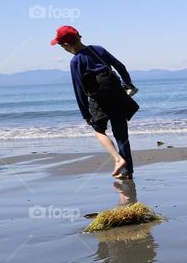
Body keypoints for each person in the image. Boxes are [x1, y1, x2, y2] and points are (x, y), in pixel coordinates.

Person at [52, 25, 139, 179]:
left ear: (65, 45)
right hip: (117, 95)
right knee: (121, 135)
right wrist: (127, 84)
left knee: (99, 131)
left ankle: (118, 160)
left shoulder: (76, 61)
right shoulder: (98, 49)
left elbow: (79, 90)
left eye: (60, 45)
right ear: (80, 36)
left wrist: (85, 114)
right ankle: (128, 172)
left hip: (99, 101)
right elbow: (120, 67)